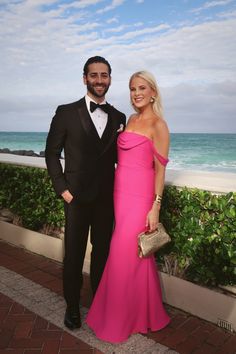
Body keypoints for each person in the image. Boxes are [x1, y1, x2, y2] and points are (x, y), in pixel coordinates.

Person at [86, 70, 170, 343]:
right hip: (119, 195)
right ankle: (145, 312)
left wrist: (155, 206)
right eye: (133, 88)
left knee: (123, 251)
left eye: (142, 88)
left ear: (153, 92)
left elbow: (160, 171)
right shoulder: (129, 119)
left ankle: (119, 318)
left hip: (140, 197)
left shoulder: (159, 125)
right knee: (136, 255)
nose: (136, 93)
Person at [45, 56, 126, 330]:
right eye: (94, 75)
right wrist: (63, 190)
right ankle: (72, 306)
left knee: (103, 253)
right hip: (76, 198)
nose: (99, 80)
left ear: (110, 79)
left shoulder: (119, 117)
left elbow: (121, 158)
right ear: (85, 78)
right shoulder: (66, 112)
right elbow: (52, 153)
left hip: (106, 199)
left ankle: (100, 303)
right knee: (74, 255)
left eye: (104, 75)